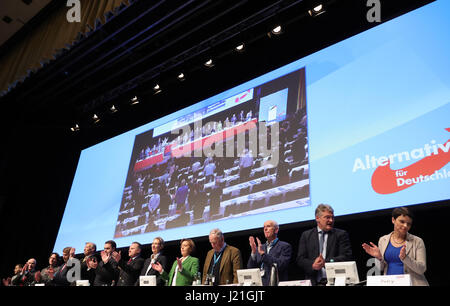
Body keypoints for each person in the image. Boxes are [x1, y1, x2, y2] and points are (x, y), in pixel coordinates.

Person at [362, 207, 428, 286]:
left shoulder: (417, 241)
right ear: (393, 220)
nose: (405, 226)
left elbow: (421, 269)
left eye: (408, 224)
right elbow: (381, 268)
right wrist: (379, 258)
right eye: (402, 221)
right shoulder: (383, 240)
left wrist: (405, 258)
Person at [296, 204, 353, 285]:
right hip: (313, 282)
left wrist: (326, 262)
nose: (331, 220)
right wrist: (313, 265)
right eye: (327, 217)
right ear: (317, 218)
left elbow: (346, 256)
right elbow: (300, 259)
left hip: (336, 281)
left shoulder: (341, 234)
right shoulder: (306, 235)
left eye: (332, 217)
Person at [247, 220, 292, 285]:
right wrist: (253, 252)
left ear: (276, 230)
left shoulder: (284, 246)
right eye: (264, 227)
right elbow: (250, 268)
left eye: (268, 226)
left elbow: (281, 265)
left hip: (276, 283)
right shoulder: (260, 247)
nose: (265, 229)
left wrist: (263, 254)